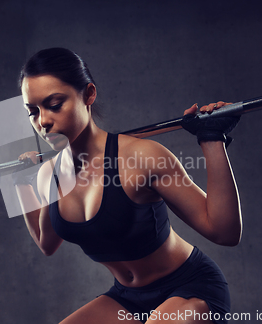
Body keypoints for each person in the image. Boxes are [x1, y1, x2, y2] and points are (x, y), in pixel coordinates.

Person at [13, 47, 242, 324]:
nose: (43, 122)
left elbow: (225, 232)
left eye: (54, 104)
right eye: (32, 112)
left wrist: (212, 139)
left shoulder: (141, 157)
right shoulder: (48, 175)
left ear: (89, 94)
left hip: (189, 288)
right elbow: (46, 243)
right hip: (127, 299)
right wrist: (21, 182)